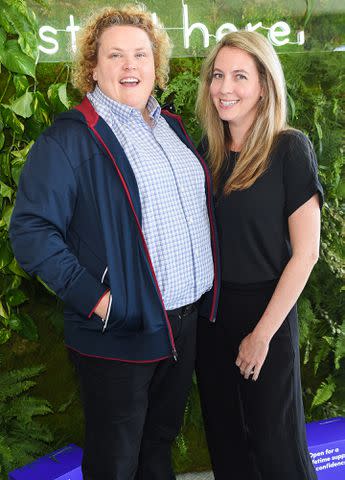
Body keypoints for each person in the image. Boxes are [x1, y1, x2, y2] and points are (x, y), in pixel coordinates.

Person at [9, 5, 219, 479]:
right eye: (116, 55)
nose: (131, 66)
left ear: (156, 64)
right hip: (120, 328)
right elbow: (30, 231)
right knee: (115, 462)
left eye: (141, 55)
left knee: (158, 448)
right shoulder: (69, 140)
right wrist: (100, 300)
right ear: (93, 66)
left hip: (182, 324)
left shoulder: (170, 126)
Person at [195, 31, 323, 480]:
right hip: (210, 320)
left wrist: (262, 335)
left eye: (239, 76)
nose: (224, 88)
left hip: (266, 315)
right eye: (217, 75)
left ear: (264, 85)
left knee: (277, 452)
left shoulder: (290, 149)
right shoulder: (205, 154)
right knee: (227, 448)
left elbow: (305, 254)